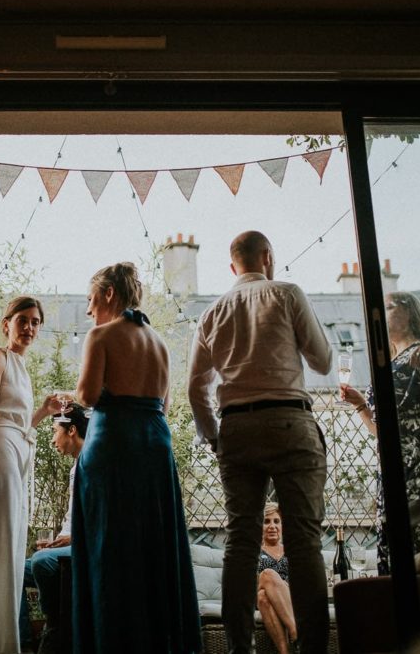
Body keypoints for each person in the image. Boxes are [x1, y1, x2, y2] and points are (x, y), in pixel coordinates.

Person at [187, 231, 332, 654]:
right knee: (304, 540)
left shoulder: (212, 312)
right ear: (268, 258)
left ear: (234, 267)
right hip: (290, 420)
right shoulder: (287, 293)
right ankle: (315, 648)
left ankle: (238, 648)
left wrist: (214, 435)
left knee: (240, 540)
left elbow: (196, 388)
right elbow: (322, 361)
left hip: (236, 427)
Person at [73, 262, 201, 654]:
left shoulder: (101, 336)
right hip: (154, 445)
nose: (90, 311)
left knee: (111, 547)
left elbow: (88, 396)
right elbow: (163, 403)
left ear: (109, 294)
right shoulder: (159, 342)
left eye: (92, 301)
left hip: (115, 446)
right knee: (153, 548)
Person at [339, 290, 420, 575]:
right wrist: (361, 404)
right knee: (398, 540)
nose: (379, 315)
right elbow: (382, 432)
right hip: (394, 463)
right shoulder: (388, 363)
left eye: (387, 307)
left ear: (408, 313)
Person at [0, 296, 60, 654]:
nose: (29, 327)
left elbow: (19, 423)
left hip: (17, 451)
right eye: (23, 319)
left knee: (9, 553)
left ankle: (5, 644)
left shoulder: (21, 367)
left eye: (36, 322)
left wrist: (43, 411)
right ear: (6, 323)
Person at [20, 403, 89, 654]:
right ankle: (25, 643)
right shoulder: (75, 468)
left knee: (41, 562)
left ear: (71, 430)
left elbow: (98, 519)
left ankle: (55, 628)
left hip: (84, 548)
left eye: (54, 431)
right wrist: (59, 540)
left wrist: (72, 539)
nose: (52, 440)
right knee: (14, 571)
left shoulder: (93, 463)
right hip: (67, 547)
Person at [256, 504, 296, 654]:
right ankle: (296, 634)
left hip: (289, 598)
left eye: (276, 521)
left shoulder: (292, 550)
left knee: (263, 597)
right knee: (267, 576)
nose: (272, 526)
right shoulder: (254, 552)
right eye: (266, 521)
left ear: (282, 525)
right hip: (259, 593)